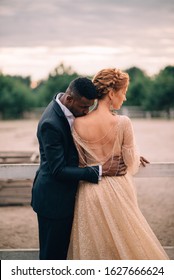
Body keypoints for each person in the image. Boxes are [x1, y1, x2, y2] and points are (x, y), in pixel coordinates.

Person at [67, 69, 169, 260]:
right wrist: (135, 156)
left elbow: (80, 162)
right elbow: (130, 163)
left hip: (89, 192)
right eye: (123, 91)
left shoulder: (77, 123)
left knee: (97, 251)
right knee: (127, 248)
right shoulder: (123, 122)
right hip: (118, 191)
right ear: (112, 93)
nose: (125, 97)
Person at [31, 77, 127, 260]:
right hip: (54, 202)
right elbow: (58, 170)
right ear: (69, 99)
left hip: (67, 199)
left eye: (90, 107)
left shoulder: (70, 111)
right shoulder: (50, 124)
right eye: (84, 107)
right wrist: (100, 170)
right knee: (52, 258)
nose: (86, 112)